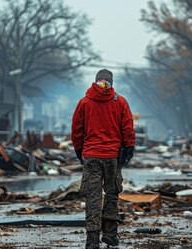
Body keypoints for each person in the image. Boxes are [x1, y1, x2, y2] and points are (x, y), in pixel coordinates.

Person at [71, 69, 135, 249]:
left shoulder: (84, 103)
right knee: (112, 194)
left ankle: (92, 240)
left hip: (91, 155)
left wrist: (79, 150)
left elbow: (76, 129)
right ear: (111, 82)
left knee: (93, 196)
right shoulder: (120, 102)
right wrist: (129, 149)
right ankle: (110, 234)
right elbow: (127, 128)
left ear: (95, 81)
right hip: (113, 156)